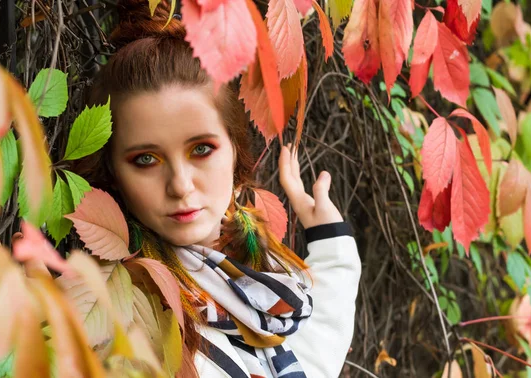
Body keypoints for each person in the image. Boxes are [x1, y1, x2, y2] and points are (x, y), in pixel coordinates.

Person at [73, 0, 362, 376]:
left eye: (201, 150)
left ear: (236, 151)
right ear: (112, 173)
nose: (180, 185)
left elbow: (317, 345)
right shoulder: (129, 315)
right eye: (145, 159)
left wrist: (330, 238)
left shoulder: (262, 285)